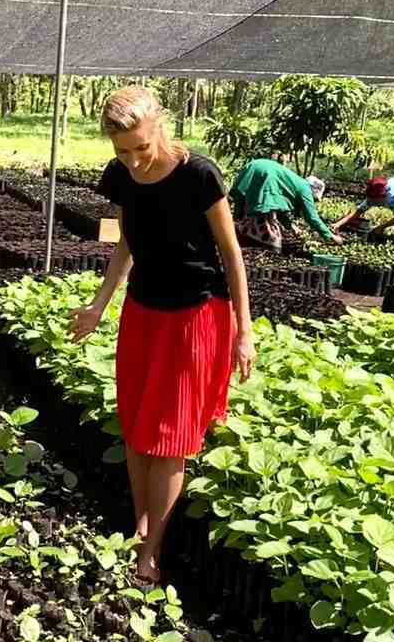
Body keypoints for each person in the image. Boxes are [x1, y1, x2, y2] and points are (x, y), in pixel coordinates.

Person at [69, 86, 255, 583]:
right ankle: (141, 523)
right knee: (136, 427)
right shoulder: (120, 176)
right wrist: (99, 306)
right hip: (142, 311)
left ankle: (151, 552)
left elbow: (231, 254)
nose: (132, 160)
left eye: (141, 147)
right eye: (121, 151)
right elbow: (127, 243)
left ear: (160, 127)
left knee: (171, 437)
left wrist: (244, 330)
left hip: (197, 314)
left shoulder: (199, 175)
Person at [229, 158, 343, 251]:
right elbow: (312, 217)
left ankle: (232, 235)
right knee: (269, 233)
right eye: (314, 199)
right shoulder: (306, 190)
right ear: (314, 192)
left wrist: (292, 227)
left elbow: (277, 209)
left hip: (252, 168)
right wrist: (330, 236)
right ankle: (256, 244)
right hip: (266, 176)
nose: (312, 201)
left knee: (243, 214)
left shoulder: (294, 183)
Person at [331, 170, 394, 246]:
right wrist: (338, 224)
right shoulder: (372, 196)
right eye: (371, 199)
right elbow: (359, 211)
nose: (373, 202)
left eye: (375, 200)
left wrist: (381, 227)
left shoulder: (393, 197)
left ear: (382, 196)